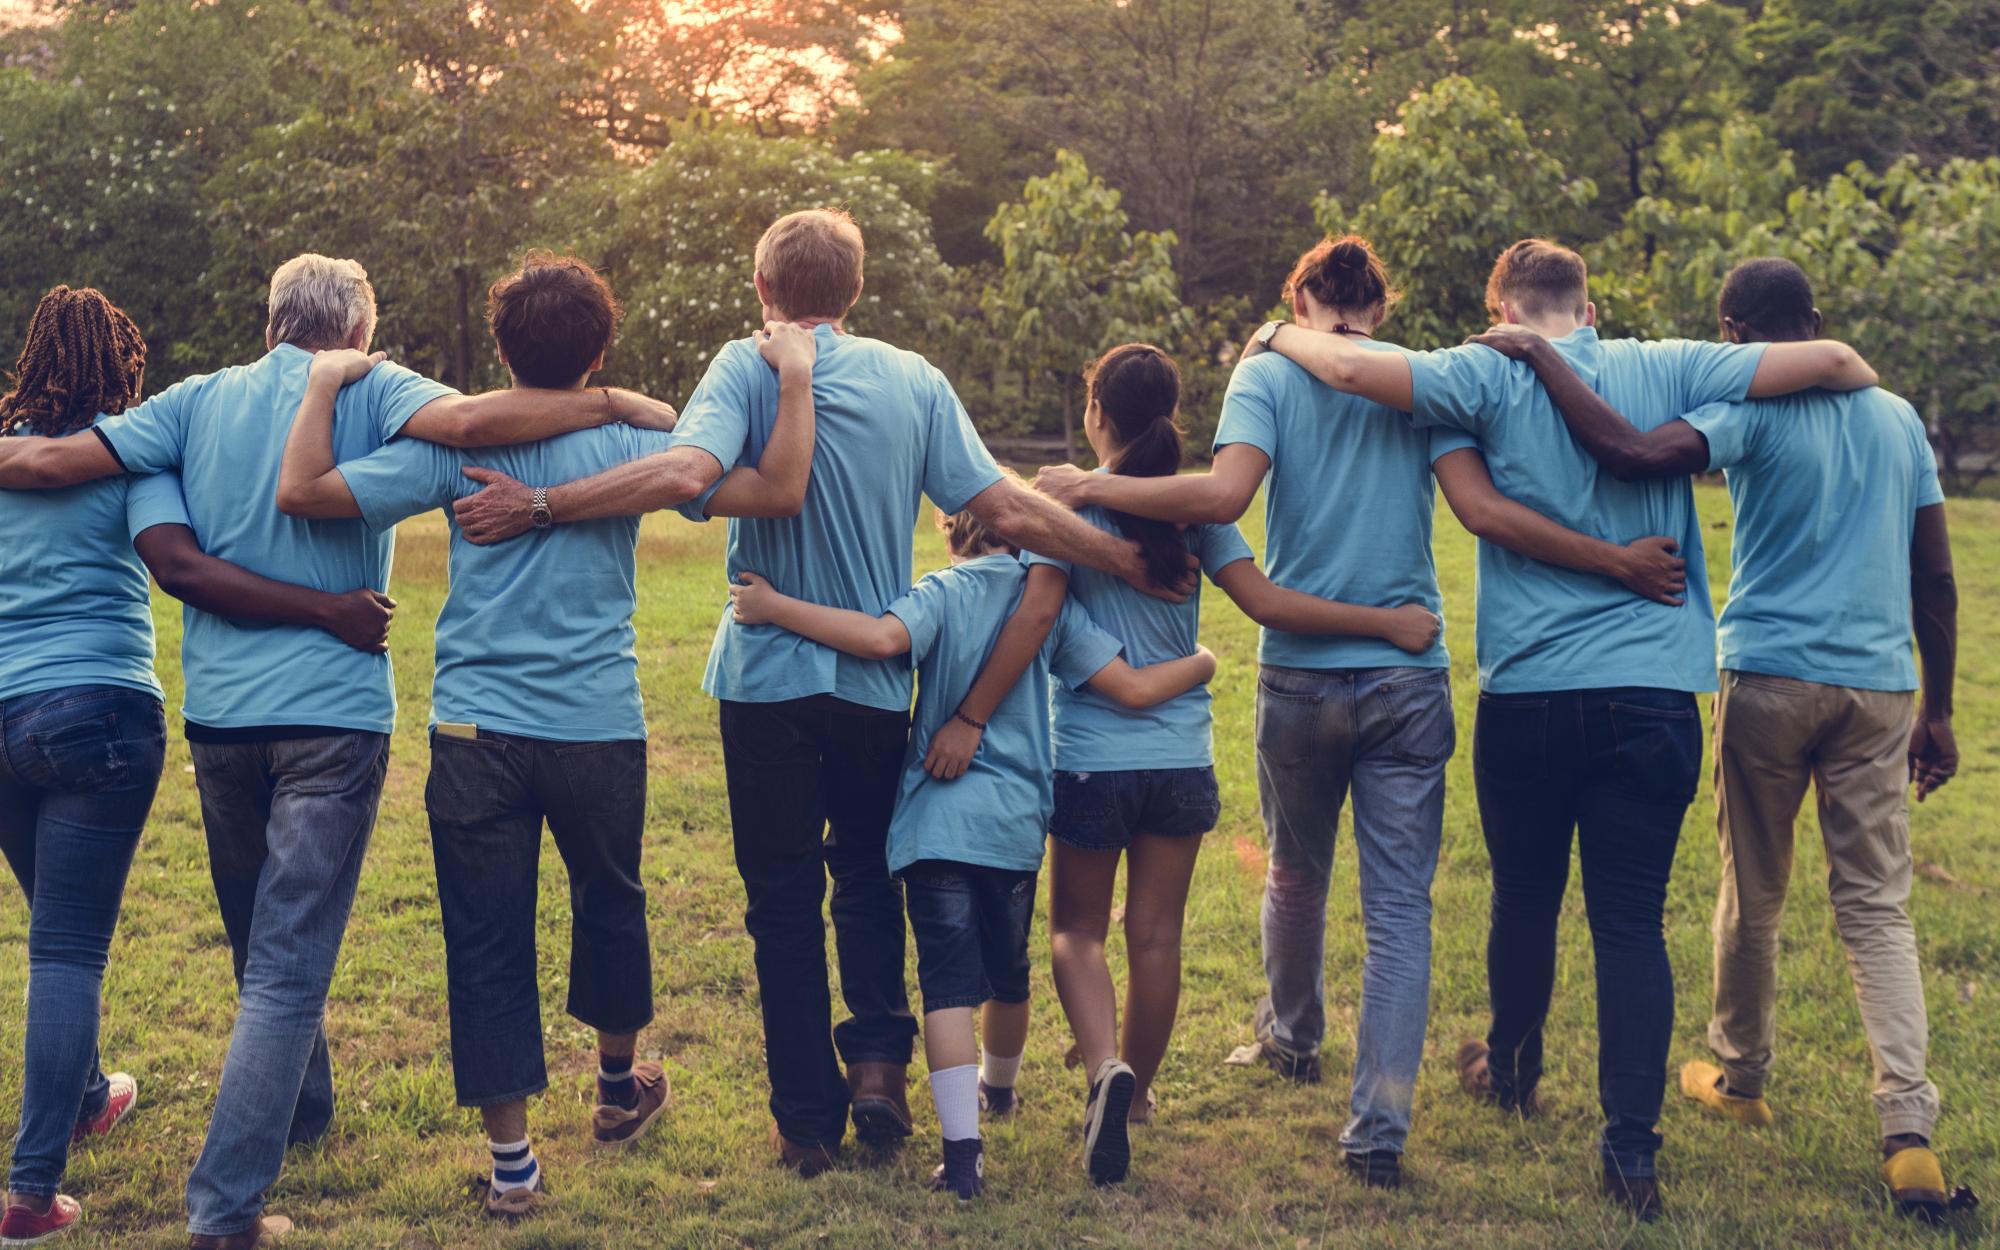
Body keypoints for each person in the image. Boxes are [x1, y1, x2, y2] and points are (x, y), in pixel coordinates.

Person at [448, 209, 1193, 1175]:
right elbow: (1003, 507)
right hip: (875, 682)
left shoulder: (744, 366)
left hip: (765, 680)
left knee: (784, 902)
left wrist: (542, 505)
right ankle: (879, 1069)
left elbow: (684, 470)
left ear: (764, 289)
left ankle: (806, 1121)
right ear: (855, 290)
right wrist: (1122, 559)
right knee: (870, 881)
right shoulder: (913, 379)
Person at [0, 254, 677, 1249]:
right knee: (288, 969)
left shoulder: (191, 402)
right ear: (359, 331)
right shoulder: (380, 385)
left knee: (258, 946)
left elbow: (55, 470)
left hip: (222, 720)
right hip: (336, 713)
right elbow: (478, 427)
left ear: (270, 321)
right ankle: (225, 1207)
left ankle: (310, 1111)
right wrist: (613, 403)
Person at [1031, 240, 1681, 1190]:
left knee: (1295, 873)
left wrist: (1087, 486)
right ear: (1382, 306)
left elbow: (1223, 496)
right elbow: (1477, 507)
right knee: (1400, 908)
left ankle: (1293, 1037)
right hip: (1407, 676)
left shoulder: (1267, 374)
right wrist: (1613, 557)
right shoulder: (1419, 380)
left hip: (1299, 676)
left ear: (1297, 298)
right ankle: (1378, 1129)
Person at [1253, 237, 1881, 1217]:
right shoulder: (1670, 363)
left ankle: (1511, 1069)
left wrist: (1271, 335)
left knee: (1523, 898)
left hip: (1531, 692)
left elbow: (1345, 367)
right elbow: (1838, 360)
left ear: (1501, 311)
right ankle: (1629, 1149)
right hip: (1653, 693)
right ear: (1587, 311)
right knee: (1630, 920)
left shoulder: (1481, 372)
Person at [270, 253, 817, 1218]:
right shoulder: (634, 443)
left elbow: (308, 490)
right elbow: (751, 479)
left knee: (485, 933)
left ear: (502, 350)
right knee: (612, 903)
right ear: (598, 349)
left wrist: (321, 393)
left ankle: (513, 1164)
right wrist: (639, 407)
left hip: (473, 727)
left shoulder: (457, 449)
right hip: (596, 722)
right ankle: (615, 1088)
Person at [1471, 257, 1969, 1222]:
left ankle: (1741, 1077)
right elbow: (1938, 578)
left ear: (1733, 336)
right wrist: (1938, 710)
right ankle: (1908, 1131)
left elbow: (1631, 452)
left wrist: (1536, 353)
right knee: (1877, 908)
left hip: (1768, 676)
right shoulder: (1899, 419)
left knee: (1755, 887)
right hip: (1880, 689)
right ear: (1815, 319)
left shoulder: (1748, 411)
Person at [960, 338, 1436, 1189]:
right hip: (1181, 762)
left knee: (1075, 933)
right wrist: (1387, 623)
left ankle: (1104, 1069)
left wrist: (970, 714)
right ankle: (1136, 1096)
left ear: (1095, 413)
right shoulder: (1196, 515)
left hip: (1093, 762)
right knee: (1156, 938)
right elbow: (1265, 601)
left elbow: (1036, 613)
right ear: (1171, 417)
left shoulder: (1068, 507)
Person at [0, 286, 410, 1245]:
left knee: (56, 932)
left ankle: (90, 1093)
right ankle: (29, 1191)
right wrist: (328, 609)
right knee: (67, 949)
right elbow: (179, 568)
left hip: (3, 717)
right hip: (97, 711)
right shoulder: (132, 451)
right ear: (120, 367)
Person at [726, 492, 1216, 1199]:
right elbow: (1130, 687)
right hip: (1013, 828)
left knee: (948, 988)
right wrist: (1202, 662)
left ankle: (962, 1158)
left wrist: (775, 607)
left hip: (936, 826)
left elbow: (879, 640)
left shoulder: (942, 592)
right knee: (1007, 976)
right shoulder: (1050, 606)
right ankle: (1001, 1089)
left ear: (953, 534)